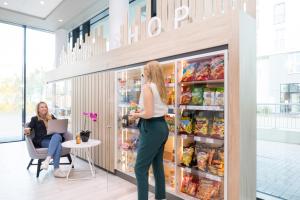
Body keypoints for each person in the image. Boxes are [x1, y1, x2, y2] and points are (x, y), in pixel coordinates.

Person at [130, 61, 169, 200]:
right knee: (157, 164)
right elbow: (155, 109)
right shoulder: (161, 88)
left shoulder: (147, 87)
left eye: (145, 71)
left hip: (151, 127)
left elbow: (148, 113)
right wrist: (142, 111)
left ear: (149, 72)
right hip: (162, 127)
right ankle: (160, 196)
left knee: (140, 168)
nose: (143, 74)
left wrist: (135, 114)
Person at [24, 101, 66, 178]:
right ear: (38, 110)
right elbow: (29, 128)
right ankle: (56, 169)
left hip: (54, 137)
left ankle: (47, 160)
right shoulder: (34, 119)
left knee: (57, 136)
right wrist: (27, 130)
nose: (44, 108)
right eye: (42, 107)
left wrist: (61, 128)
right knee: (58, 145)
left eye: (45, 107)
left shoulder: (51, 117)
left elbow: (59, 127)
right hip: (43, 140)